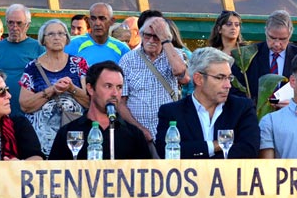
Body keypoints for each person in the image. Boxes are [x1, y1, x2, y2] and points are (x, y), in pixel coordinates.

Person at [156, 48, 259, 159]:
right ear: (198, 79)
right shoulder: (172, 112)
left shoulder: (242, 108)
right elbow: (166, 151)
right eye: (220, 78)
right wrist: (214, 146)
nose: (228, 85)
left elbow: (249, 150)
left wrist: (200, 155)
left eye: (229, 78)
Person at [49, 61, 150, 160]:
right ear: (90, 89)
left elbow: (146, 174)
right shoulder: (69, 132)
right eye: (108, 86)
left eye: (119, 87)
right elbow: (54, 173)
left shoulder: (134, 135)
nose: (115, 93)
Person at [19, 20, 89, 156]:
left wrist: (71, 88)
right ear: (43, 40)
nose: (56, 37)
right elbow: (25, 106)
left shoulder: (79, 63)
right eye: (51, 34)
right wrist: (51, 90)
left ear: (67, 38)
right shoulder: (33, 67)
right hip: (41, 139)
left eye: (61, 33)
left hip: (74, 137)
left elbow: (90, 102)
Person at [118, 16, 188, 152]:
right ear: (140, 35)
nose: (151, 40)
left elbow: (181, 74)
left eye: (156, 36)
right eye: (147, 35)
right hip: (136, 134)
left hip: (169, 134)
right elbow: (121, 102)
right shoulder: (127, 60)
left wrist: (166, 40)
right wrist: (140, 129)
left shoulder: (175, 55)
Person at [0, 4, 46, 116]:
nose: (14, 27)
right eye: (11, 22)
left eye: (19, 23)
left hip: (30, 113)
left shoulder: (39, 48)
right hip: (1, 113)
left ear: (27, 25)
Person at [239, 10, 297, 101]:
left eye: (283, 39)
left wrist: (294, 104)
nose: (277, 44)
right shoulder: (247, 55)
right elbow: (235, 92)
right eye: (272, 38)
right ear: (266, 32)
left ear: (290, 35)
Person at [65, 2, 130, 65]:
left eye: (102, 19)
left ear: (111, 21)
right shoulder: (73, 44)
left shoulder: (122, 49)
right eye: (93, 19)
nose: (97, 23)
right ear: (89, 21)